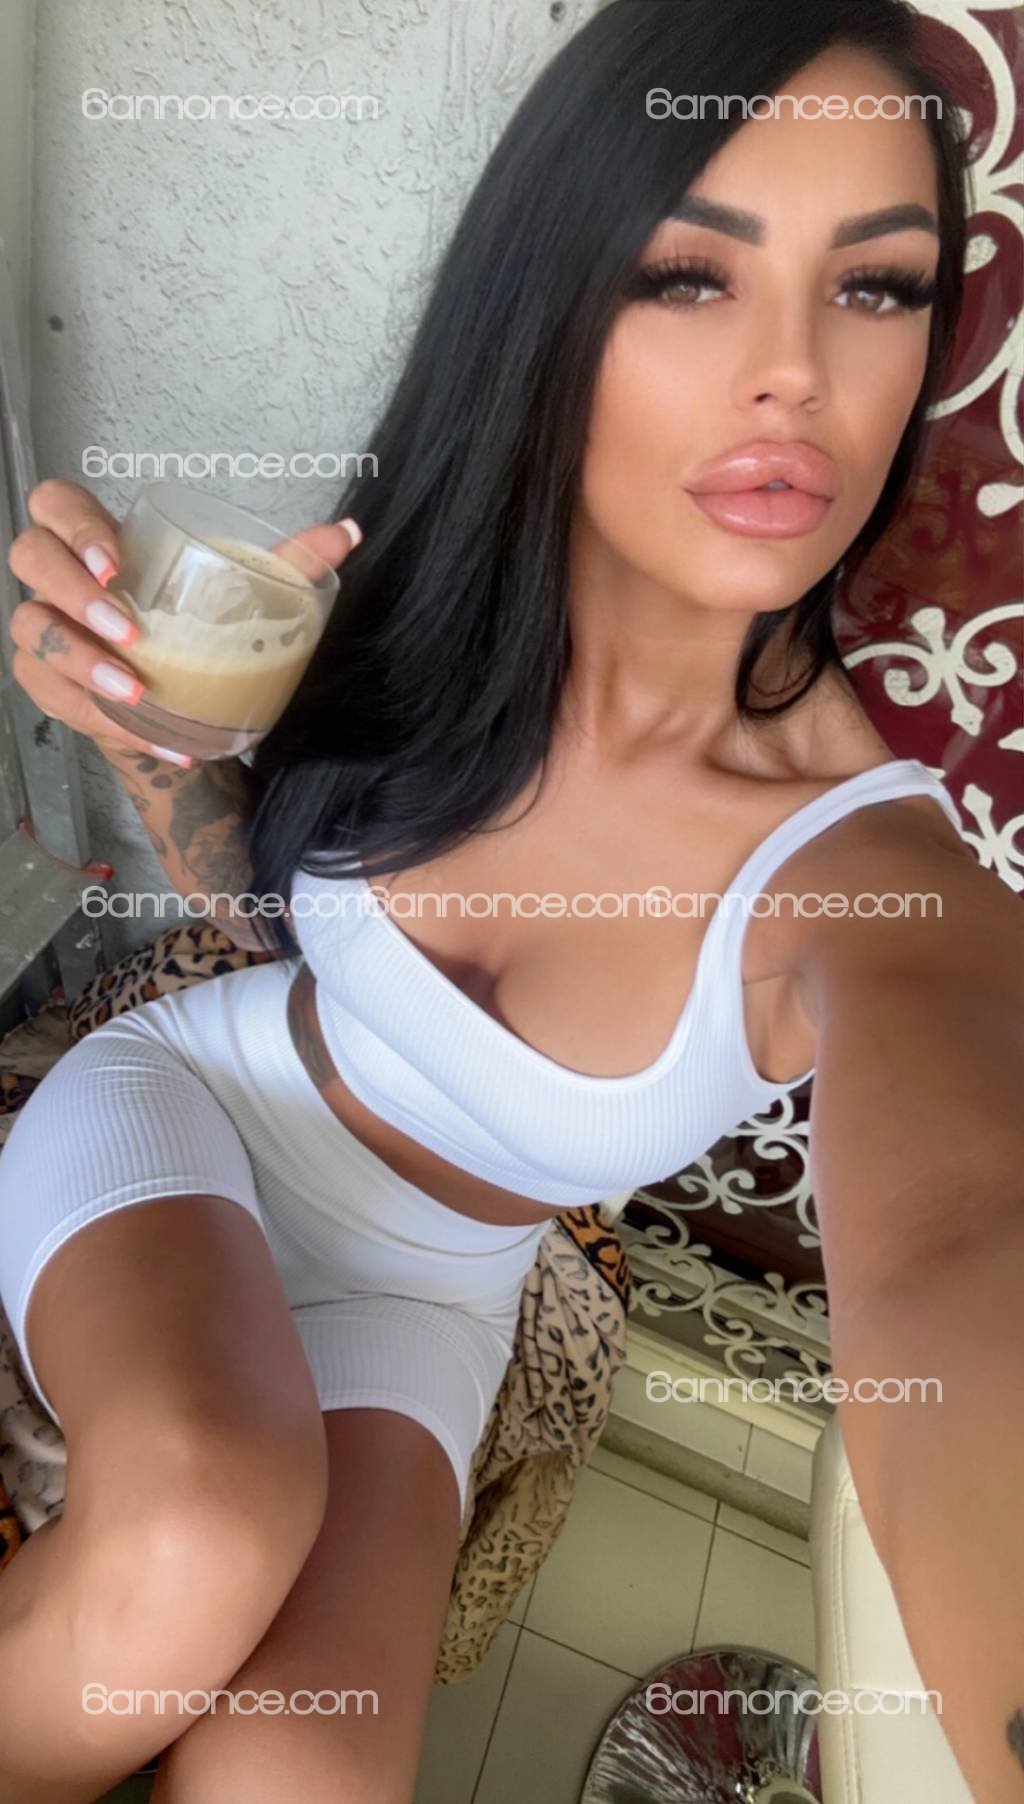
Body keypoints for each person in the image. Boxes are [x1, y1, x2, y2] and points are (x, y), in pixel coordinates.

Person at [0, 2, 1021, 1800]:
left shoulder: (870, 881)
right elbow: (256, 893)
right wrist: (145, 734)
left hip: (432, 1303)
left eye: (875, 288)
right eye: (689, 276)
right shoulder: (415, 595)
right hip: (198, 1111)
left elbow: (969, 1244)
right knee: (196, 1531)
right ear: (550, 305)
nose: (794, 373)